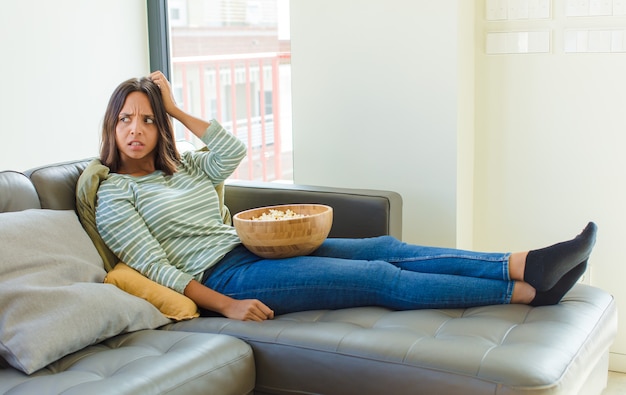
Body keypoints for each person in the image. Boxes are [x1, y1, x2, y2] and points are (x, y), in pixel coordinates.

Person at [95, 71, 597, 322]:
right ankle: (527, 291)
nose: (135, 129)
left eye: (147, 118)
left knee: (386, 248)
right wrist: (225, 305)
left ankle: (524, 263)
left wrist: (178, 109)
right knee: (378, 277)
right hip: (225, 275)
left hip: (250, 249)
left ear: (160, 127)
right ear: (111, 128)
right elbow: (156, 269)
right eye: (125, 119)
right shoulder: (115, 196)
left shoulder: (183, 167)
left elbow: (231, 150)